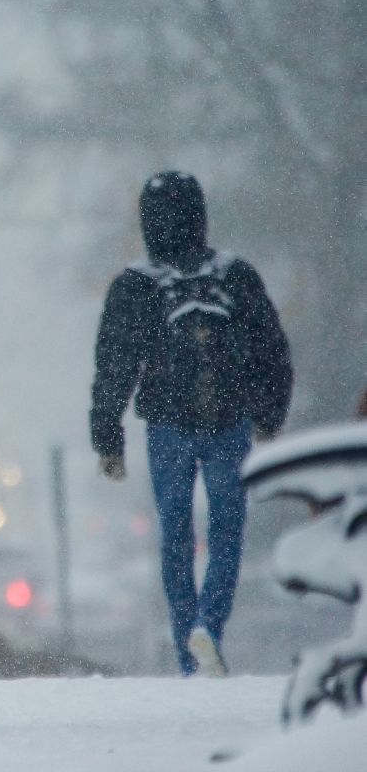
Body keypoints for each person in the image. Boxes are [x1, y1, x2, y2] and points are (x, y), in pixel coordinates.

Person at [90, 171, 292, 677]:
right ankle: (209, 626)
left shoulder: (135, 286)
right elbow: (272, 350)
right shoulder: (235, 276)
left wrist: (108, 438)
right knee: (228, 531)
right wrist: (269, 416)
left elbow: (114, 366)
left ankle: (187, 650)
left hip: (167, 425)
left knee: (176, 534)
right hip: (230, 422)